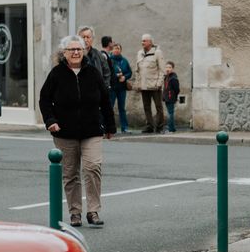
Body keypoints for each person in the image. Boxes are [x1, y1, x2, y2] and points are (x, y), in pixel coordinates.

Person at [39, 35, 116, 227]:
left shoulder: (93, 73)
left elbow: (105, 100)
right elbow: (45, 100)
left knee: (92, 167)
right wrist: (50, 121)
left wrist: (110, 126)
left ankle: (93, 211)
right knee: (70, 174)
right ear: (64, 53)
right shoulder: (56, 74)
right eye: (71, 49)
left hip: (92, 130)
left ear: (83, 51)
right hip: (65, 132)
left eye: (78, 49)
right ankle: (75, 212)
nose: (75, 52)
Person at [134, 34, 165, 133]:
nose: (142, 42)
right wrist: (137, 84)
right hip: (144, 85)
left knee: (158, 107)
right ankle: (150, 126)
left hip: (155, 85)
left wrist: (159, 83)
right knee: (146, 107)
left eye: (144, 41)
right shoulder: (139, 53)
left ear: (150, 42)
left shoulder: (157, 53)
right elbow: (137, 70)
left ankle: (160, 126)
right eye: (142, 41)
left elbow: (162, 69)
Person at [109, 43, 133, 134]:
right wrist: (116, 75)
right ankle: (110, 127)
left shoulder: (124, 61)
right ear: (112, 50)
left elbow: (129, 72)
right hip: (112, 88)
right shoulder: (109, 60)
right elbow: (107, 72)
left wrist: (125, 77)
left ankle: (125, 127)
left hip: (122, 88)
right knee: (110, 108)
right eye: (115, 48)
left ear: (120, 50)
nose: (116, 50)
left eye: (118, 48)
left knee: (122, 108)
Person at [163, 61, 180, 133]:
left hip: (171, 98)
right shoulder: (166, 77)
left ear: (172, 69)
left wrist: (173, 96)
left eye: (169, 67)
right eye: (166, 67)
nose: (168, 69)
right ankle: (172, 128)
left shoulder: (173, 78)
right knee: (170, 113)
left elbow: (177, 89)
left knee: (170, 113)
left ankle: (170, 129)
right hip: (167, 98)